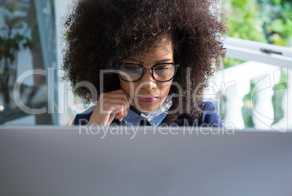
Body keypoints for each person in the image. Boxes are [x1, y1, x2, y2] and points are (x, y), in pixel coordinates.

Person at [63, 0, 225, 127]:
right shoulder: (91, 121)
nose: (148, 84)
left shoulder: (203, 118)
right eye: (132, 68)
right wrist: (95, 130)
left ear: (181, 65)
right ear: (111, 68)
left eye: (162, 68)